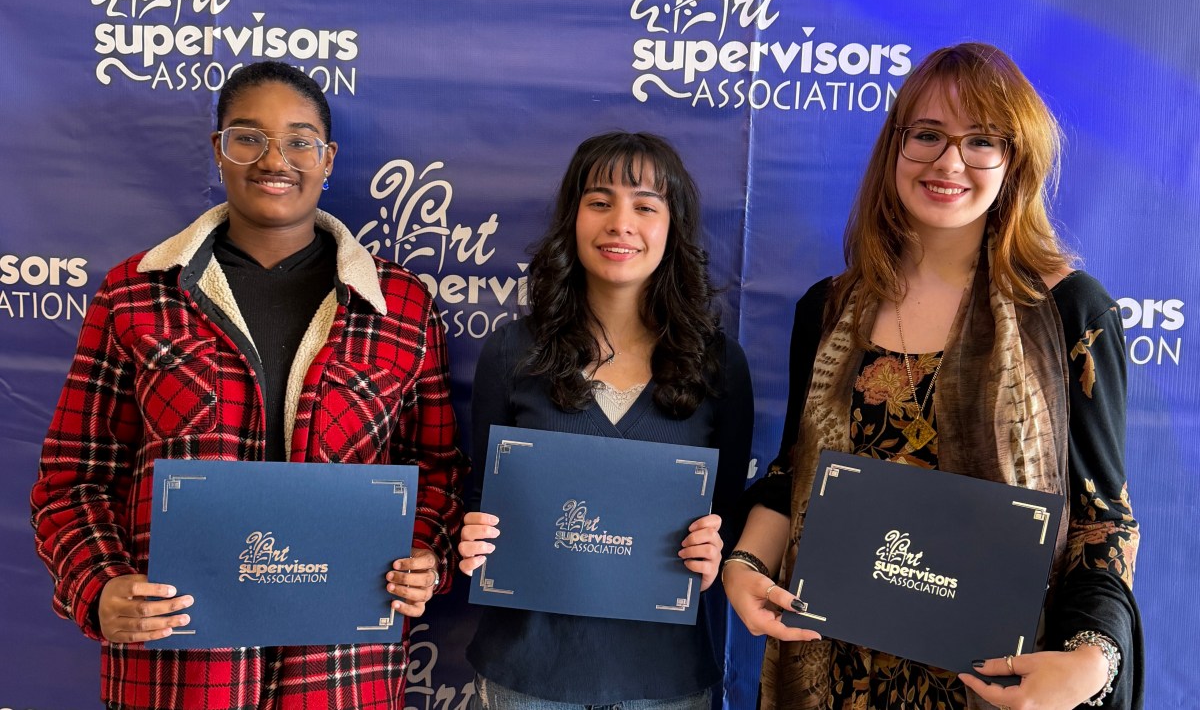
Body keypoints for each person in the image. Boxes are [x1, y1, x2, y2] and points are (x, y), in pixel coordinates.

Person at [30, 61, 467, 709]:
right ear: (218, 149)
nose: (274, 160)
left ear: (327, 159)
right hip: (177, 676)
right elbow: (72, 480)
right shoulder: (134, 296)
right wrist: (99, 586)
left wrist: (425, 553)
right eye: (248, 137)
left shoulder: (400, 305)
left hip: (342, 677)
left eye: (299, 141)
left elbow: (436, 469)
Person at [723, 43, 1142, 710]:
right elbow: (794, 471)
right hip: (837, 675)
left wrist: (1092, 660)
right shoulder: (828, 308)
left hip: (994, 684)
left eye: (981, 141)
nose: (948, 162)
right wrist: (744, 564)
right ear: (895, 146)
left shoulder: (1070, 310)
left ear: (1014, 161)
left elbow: (1101, 521)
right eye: (927, 135)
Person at [456, 132, 753, 709]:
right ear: (572, 218)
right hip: (526, 677)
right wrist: (473, 537)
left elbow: (732, 519)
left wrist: (717, 549)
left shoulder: (719, 364)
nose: (620, 223)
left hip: (665, 681)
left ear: (672, 228)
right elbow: (482, 501)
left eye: (645, 206)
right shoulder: (512, 353)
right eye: (599, 202)